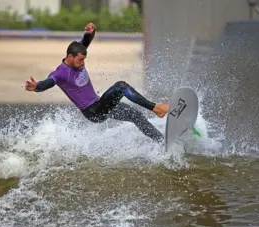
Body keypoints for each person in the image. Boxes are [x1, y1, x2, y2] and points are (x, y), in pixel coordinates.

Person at [24, 22, 170, 142]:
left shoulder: (77, 55)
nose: (82, 63)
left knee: (136, 116)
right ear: (69, 57)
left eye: (84, 60)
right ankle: (157, 108)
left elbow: (85, 43)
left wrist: (90, 33)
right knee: (121, 86)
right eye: (80, 60)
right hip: (93, 111)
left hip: (100, 104)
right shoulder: (61, 73)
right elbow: (48, 83)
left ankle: (161, 142)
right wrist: (36, 86)